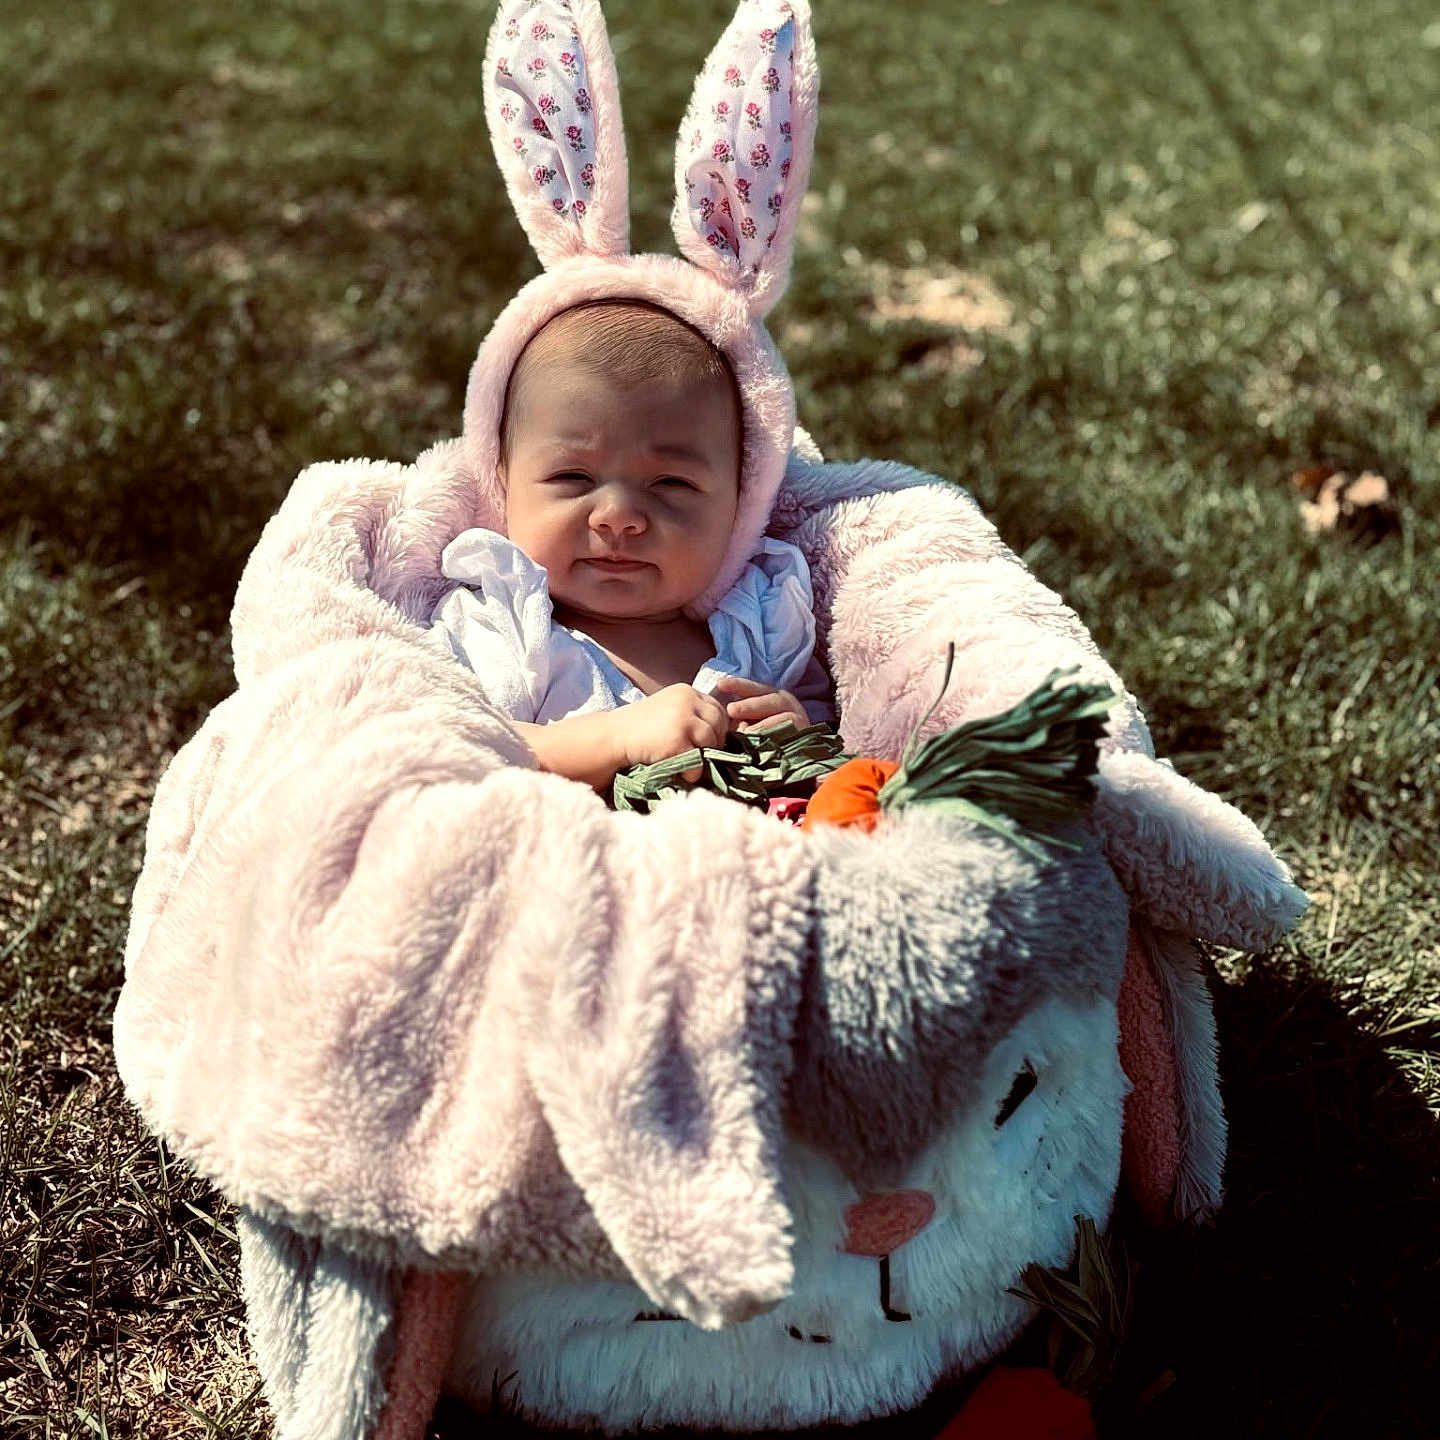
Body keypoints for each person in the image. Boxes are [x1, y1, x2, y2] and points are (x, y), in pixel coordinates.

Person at [430, 297, 832, 791]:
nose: (618, 516)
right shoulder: (505, 625)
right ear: (505, 483)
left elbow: (836, 734)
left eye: (671, 483)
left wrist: (798, 732)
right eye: (573, 476)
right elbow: (458, 746)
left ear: (739, 501)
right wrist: (615, 738)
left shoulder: (761, 622)